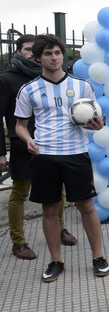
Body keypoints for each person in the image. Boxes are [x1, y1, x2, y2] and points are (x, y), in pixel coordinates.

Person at [14, 34, 109, 282]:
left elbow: (95, 120)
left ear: (62, 55)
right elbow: (20, 125)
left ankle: (98, 257)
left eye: (57, 52)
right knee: (50, 209)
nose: (54, 57)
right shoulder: (29, 89)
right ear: (38, 58)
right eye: (48, 53)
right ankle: (56, 261)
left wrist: (98, 126)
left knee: (86, 207)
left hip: (76, 153)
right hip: (45, 155)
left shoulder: (82, 86)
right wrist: (28, 139)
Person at [0, 34, 77, 260]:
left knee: (57, 190)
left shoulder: (51, 78)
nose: (31, 53)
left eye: (35, 49)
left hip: (51, 145)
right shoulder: (8, 79)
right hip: (22, 145)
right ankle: (18, 241)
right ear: (18, 51)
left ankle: (60, 229)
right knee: (20, 193)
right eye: (27, 49)